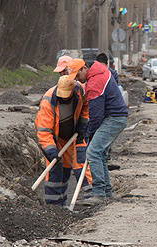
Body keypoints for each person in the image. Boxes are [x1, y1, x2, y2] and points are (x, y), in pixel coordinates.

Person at [35, 75, 89, 206]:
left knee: (66, 169)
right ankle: (52, 205)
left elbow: (86, 107)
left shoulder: (79, 91)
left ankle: (62, 204)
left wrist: (82, 124)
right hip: (54, 137)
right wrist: (51, 150)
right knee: (54, 169)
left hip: (70, 136)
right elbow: (44, 131)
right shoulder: (48, 101)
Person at [83, 61, 128, 201]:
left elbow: (96, 116)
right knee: (99, 153)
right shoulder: (101, 71)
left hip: (113, 118)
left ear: (85, 68)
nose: (77, 78)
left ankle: (99, 193)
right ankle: (107, 192)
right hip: (116, 116)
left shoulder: (94, 83)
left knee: (93, 152)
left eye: (78, 74)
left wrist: (90, 133)